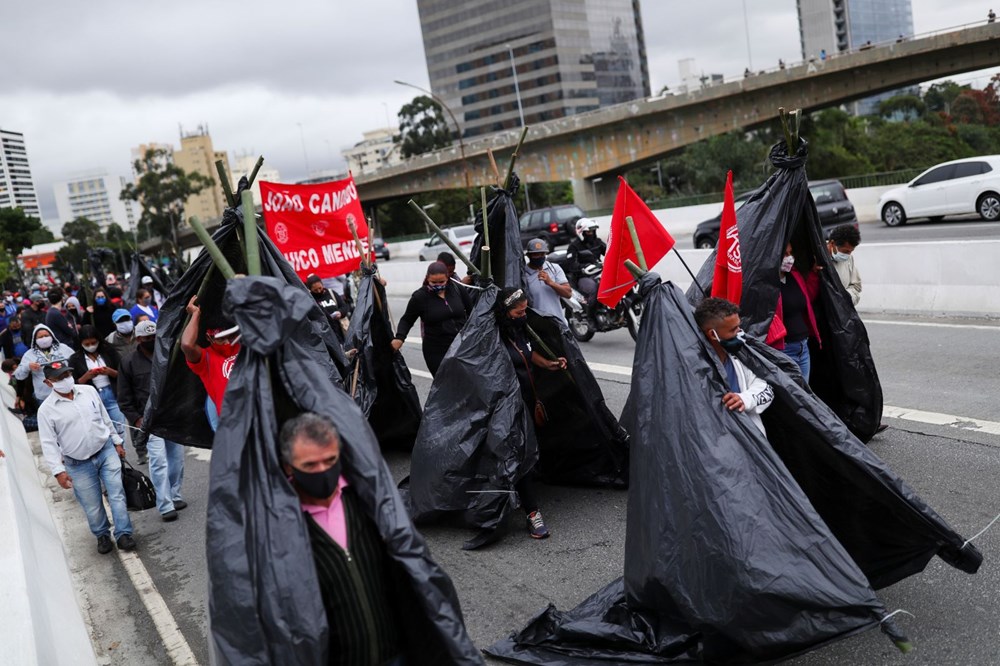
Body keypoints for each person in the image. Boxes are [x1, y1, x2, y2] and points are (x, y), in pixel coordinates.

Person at [278, 411, 409, 665]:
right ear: (288, 466)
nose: (322, 471)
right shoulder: (281, 525)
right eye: (310, 466)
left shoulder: (367, 501)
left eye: (330, 461)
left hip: (395, 655)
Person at [37, 361, 136, 554]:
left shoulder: (88, 392)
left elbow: (104, 418)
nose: (65, 381)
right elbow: (48, 443)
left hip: (105, 450)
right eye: (59, 379)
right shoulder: (46, 410)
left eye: (67, 376)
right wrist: (58, 471)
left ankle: (124, 534)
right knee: (92, 504)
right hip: (77, 463)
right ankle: (102, 535)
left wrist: (116, 442)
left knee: (117, 493)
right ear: (48, 383)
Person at [497, 287, 568, 539]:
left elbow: (527, 353)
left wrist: (549, 364)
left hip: (528, 402)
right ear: (506, 313)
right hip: (507, 409)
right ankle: (532, 513)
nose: (523, 315)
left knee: (529, 451)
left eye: (525, 310)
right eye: (519, 311)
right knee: (521, 455)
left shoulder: (518, 329)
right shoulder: (495, 337)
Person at [118, 320, 186, 519]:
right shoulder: (128, 362)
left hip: (171, 416)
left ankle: (174, 494)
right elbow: (124, 397)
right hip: (148, 421)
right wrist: (137, 419)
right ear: (139, 339)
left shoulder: (167, 354)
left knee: (176, 460)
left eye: (154, 336)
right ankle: (165, 505)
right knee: (158, 462)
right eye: (147, 338)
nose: (152, 341)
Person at [694, 298, 774, 435]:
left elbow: (765, 388)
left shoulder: (740, 357)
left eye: (739, 326)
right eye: (733, 330)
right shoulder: (697, 368)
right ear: (712, 334)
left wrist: (744, 399)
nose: (740, 333)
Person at [392, 261, 473, 376]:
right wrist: (400, 338)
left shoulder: (458, 289)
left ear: (448, 278)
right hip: (436, 351)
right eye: (434, 282)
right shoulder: (420, 297)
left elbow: (473, 312)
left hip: (463, 346)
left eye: (441, 282)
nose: (438, 285)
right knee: (446, 386)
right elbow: (407, 320)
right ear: (427, 279)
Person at [181, 295, 241, 419]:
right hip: (233, 423)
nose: (228, 342)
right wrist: (195, 314)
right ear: (209, 338)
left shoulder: (246, 346)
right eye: (221, 338)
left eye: (231, 336)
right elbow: (187, 344)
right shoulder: (206, 358)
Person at [772, 243, 821, 382]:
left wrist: (814, 276)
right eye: (785, 255)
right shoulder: (767, 284)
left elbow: (806, 299)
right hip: (783, 350)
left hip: (803, 347)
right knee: (791, 398)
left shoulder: (794, 275)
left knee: (804, 395)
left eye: (790, 253)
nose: (790, 258)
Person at [70, 325, 126, 439]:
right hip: (92, 397)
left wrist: (110, 372)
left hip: (112, 394)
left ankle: (121, 453)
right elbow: (72, 383)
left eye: (93, 343)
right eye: (87, 344)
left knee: (119, 428)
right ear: (81, 343)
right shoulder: (75, 359)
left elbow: (124, 374)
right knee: (101, 431)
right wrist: (86, 377)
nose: (91, 346)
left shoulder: (109, 352)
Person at [13, 324, 76, 409]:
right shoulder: (29, 355)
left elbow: (76, 362)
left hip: (67, 391)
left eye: (46, 335)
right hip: (44, 396)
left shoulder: (63, 349)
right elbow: (19, 376)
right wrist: (28, 366)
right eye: (40, 337)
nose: (44, 338)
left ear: (52, 336)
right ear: (35, 340)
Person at [522, 238, 572, 323]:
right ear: (529, 255)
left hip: (559, 323)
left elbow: (568, 294)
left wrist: (551, 283)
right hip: (539, 326)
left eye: (542, 254)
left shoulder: (554, 268)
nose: (540, 257)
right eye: (536, 254)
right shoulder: (524, 275)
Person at [564, 218, 606, 306]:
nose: (592, 234)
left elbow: (609, 252)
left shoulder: (597, 242)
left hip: (599, 272)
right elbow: (572, 265)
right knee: (594, 289)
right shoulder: (574, 246)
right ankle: (591, 316)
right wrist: (584, 267)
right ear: (582, 233)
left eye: (593, 231)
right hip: (582, 277)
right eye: (589, 232)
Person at [306, 274, 348, 341]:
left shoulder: (331, 293)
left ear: (322, 284)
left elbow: (344, 306)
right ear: (310, 289)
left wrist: (340, 313)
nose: (319, 291)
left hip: (340, 330)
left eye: (320, 288)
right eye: (315, 290)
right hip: (325, 334)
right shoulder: (310, 300)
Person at [827, 224, 862, 306]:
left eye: (851, 251)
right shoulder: (817, 259)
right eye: (845, 251)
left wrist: (846, 298)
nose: (848, 255)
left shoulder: (849, 259)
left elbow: (856, 287)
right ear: (832, 244)